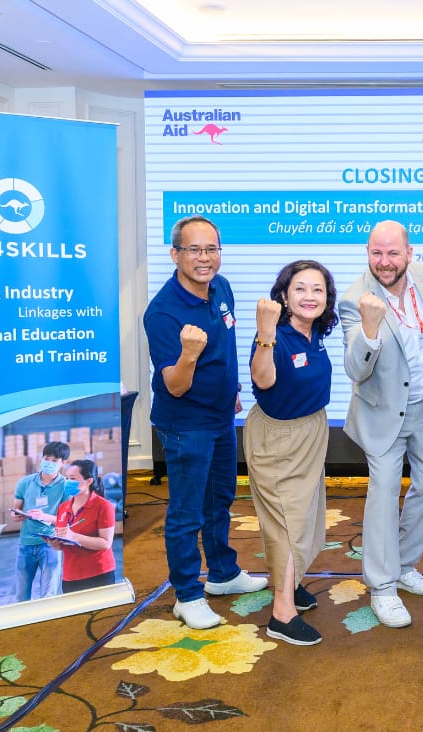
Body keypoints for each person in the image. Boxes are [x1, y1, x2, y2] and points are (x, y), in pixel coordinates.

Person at [143, 214, 267, 630]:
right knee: (186, 511)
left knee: (220, 500)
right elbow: (174, 386)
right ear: (174, 254)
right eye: (194, 249)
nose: (204, 258)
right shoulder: (162, 313)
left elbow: (226, 346)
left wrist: (230, 389)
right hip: (184, 423)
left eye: (211, 249)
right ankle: (187, 595)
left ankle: (222, 574)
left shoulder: (221, 288)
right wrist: (189, 353)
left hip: (219, 418)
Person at [339, 221, 423, 629]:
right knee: (384, 493)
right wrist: (369, 328)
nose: (384, 263)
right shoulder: (355, 299)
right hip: (384, 410)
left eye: (392, 253)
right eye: (376, 253)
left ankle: (403, 563)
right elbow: (355, 368)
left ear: (409, 253)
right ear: (367, 253)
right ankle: (382, 586)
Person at [245, 261, 337, 646]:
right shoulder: (275, 335)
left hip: (311, 430)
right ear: (283, 295)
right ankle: (282, 614)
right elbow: (262, 379)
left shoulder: (313, 333)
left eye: (318, 289)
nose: (310, 297)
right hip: (279, 439)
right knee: (286, 520)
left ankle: (289, 581)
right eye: (300, 289)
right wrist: (265, 333)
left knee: (305, 517)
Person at [12, 441, 71, 602]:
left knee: (48, 595)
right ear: (41, 458)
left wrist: (44, 516)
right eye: (47, 458)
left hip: (51, 543)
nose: (49, 463)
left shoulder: (66, 486)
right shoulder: (25, 482)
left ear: (63, 463)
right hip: (26, 544)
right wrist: (17, 515)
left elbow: (66, 519)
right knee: (21, 595)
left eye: (55, 460)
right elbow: (17, 508)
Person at [46, 459, 117, 593]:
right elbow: (63, 542)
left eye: (72, 478)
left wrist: (73, 536)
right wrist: (55, 544)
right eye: (66, 478)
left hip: (98, 575)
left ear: (89, 481)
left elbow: (106, 543)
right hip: (70, 577)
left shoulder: (103, 506)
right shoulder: (63, 507)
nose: (67, 482)